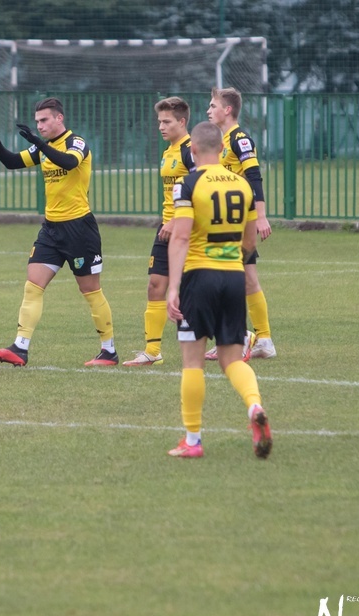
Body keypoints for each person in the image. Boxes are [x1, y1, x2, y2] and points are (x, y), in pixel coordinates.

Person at [0, 98, 118, 367]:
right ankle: (20, 347)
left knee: (90, 290)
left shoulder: (76, 143)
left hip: (79, 229)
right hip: (51, 230)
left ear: (59, 118)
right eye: (37, 121)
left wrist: (41, 144)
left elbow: (69, 162)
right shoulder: (42, 147)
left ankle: (108, 350)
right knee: (33, 286)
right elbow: (12, 162)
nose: (40, 125)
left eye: (44, 120)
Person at [164, 121, 273, 459]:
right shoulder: (242, 184)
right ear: (223, 150)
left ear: (193, 150)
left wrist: (173, 287)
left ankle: (192, 441)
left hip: (200, 277)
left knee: (192, 362)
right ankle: (254, 406)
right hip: (234, 277)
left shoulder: (188, 183)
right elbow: (250, 240)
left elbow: (181, 236)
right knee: (231, 359)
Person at [124, 96, 196, 367]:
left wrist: (176, 221)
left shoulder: (191, 150)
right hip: (165, 228)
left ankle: (240, 334)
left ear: (182, 121)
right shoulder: (169, 151)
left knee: (194, 293)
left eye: (167, 122)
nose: (161, 127)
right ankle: (152, 351)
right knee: (155, 285)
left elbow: (200, 187)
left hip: (186, 230)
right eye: (159, 122)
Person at [206, 87, 277, 359]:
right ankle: (260, 340)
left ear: (227, 110)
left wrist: (261, 216)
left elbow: (254, 176)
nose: (208, 111)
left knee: (226, 279)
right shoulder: (220, 141)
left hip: (238, 223)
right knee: (245, 279)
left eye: (213, 106)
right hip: (225, 221)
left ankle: (240, 338)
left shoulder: (240, 139)